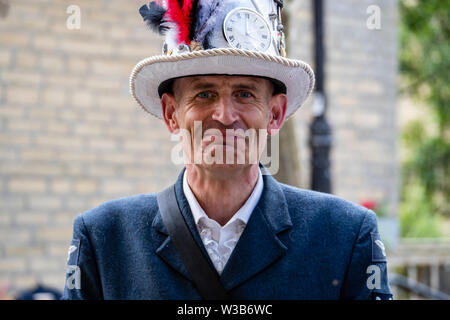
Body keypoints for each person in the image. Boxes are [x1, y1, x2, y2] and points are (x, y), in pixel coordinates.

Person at [62, 0, 393, 300]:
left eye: (245, 94)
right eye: (204, 94)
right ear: (171, 113)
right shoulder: (105, 240)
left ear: (275, 113)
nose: (224, 115)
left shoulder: (345, 236)